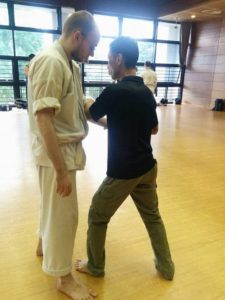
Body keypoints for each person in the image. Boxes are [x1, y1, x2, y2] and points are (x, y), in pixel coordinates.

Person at [75, 37, 175, 281]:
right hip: (148, 168)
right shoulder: (145, 92)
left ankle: (95, 267)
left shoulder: (115, 91)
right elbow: (153, 130)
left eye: (109, 60)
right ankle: (166, 267)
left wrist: (85, 97)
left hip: (124, 172)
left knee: (97, 215)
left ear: (119, 59)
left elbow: (90, 112)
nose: (108, 65)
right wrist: (122, 124)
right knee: (152, 217)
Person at [28, 10, 102, 300]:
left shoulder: (68, 63)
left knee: (52, 205)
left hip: (62, 150)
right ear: (77, 36)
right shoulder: (51, 61)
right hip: (55, 153)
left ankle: (42, 244)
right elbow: (43, 119)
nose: (93, 52)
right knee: (64, 215)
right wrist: (60, 170)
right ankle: (64, 278)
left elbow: (77, 102)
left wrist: (104, 119)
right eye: (91, 45)